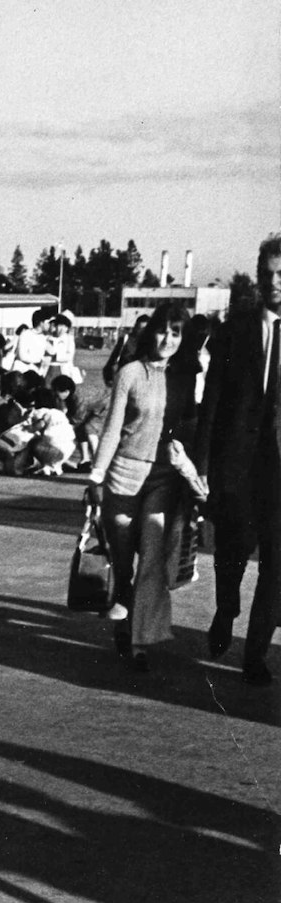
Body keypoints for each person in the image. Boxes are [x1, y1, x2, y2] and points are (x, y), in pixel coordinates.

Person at [195, 232, 281, 685]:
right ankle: (226, 610)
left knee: (277, 566)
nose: (274, 282)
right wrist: (203, 463)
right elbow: (211, 400)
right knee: (231, 553)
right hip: (239, 467)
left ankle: (256, 656)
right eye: (267, 273)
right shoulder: (236, 329)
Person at [88, 302, 194, 670]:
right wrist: (96, 476)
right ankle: (123, 606)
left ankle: (139, 642)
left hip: (162, 479)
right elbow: (113, 427)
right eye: (163, 330)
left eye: (176, 332)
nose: (168, 339)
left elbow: (190, 426)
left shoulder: (184, 377)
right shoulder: (130, 373)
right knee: (122, 559)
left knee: (151, 555)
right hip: (123, 474)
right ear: (151, 333)